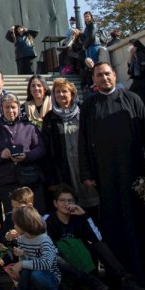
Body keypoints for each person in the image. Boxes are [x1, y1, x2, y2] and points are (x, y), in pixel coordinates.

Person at [78, 62, 145, 290]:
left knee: (141, 223)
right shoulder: (89, 105)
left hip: (134, 172)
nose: (104, 78)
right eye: (99, 75)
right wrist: (86, 172)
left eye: (107, 74)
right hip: (105, 175)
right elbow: (83, 141)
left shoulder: (133, 99)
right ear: (94, 79)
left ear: (114, 75)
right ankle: (120, 276)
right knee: (113, 225)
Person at [45, 184, 145, 290]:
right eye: (62, 200)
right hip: (64, 263)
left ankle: (126, 280)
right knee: (56, 255)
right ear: (55, 203)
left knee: (99, 246)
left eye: (70, 201)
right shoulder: (48, 219)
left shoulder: (79, 218)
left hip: (82, 259)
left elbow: (98, 238)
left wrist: (84, 215)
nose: (66, 204)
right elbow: (47, 245)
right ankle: (90, 281)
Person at [39, 79, 99, 215]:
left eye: (64, 91)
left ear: (72, 94)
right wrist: (51, 179)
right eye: (57, 92)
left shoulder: (84, 112)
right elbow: (47, 151)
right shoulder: (49, 119)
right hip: (63, 170)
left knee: (93, 207)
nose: (61, 94)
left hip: (85, 166)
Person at [0, 94, 46, 212]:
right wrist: (1, 155)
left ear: (18, 107)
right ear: (1, 108)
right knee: (13, 217)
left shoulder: (29, 127)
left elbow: (41, 149)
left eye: (13, 107)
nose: (10, 110)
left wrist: (27, 156)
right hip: (7, 180)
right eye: (7, 107)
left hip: (30, 179)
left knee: (34, 216)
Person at [4, 206, 72, 290]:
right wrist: (22, 255)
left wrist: (22, 264)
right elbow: (26, 263)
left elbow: (46, 263)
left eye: (16, 223)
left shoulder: (44, 240)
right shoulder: (21, 239)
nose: (14, 226)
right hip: (32, 283)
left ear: (25, 224)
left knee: (37, 274)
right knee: (26, 271)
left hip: (48, 279)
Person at [125, 39, 145, 105]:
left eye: (131, 45)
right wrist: (131, 55)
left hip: (144, 80)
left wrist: (135, 55)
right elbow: (130, 71)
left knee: (143, 99)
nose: (130, 48)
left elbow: (143, 67)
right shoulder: (133, 57)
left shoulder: (142, 53)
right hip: (137, 81)